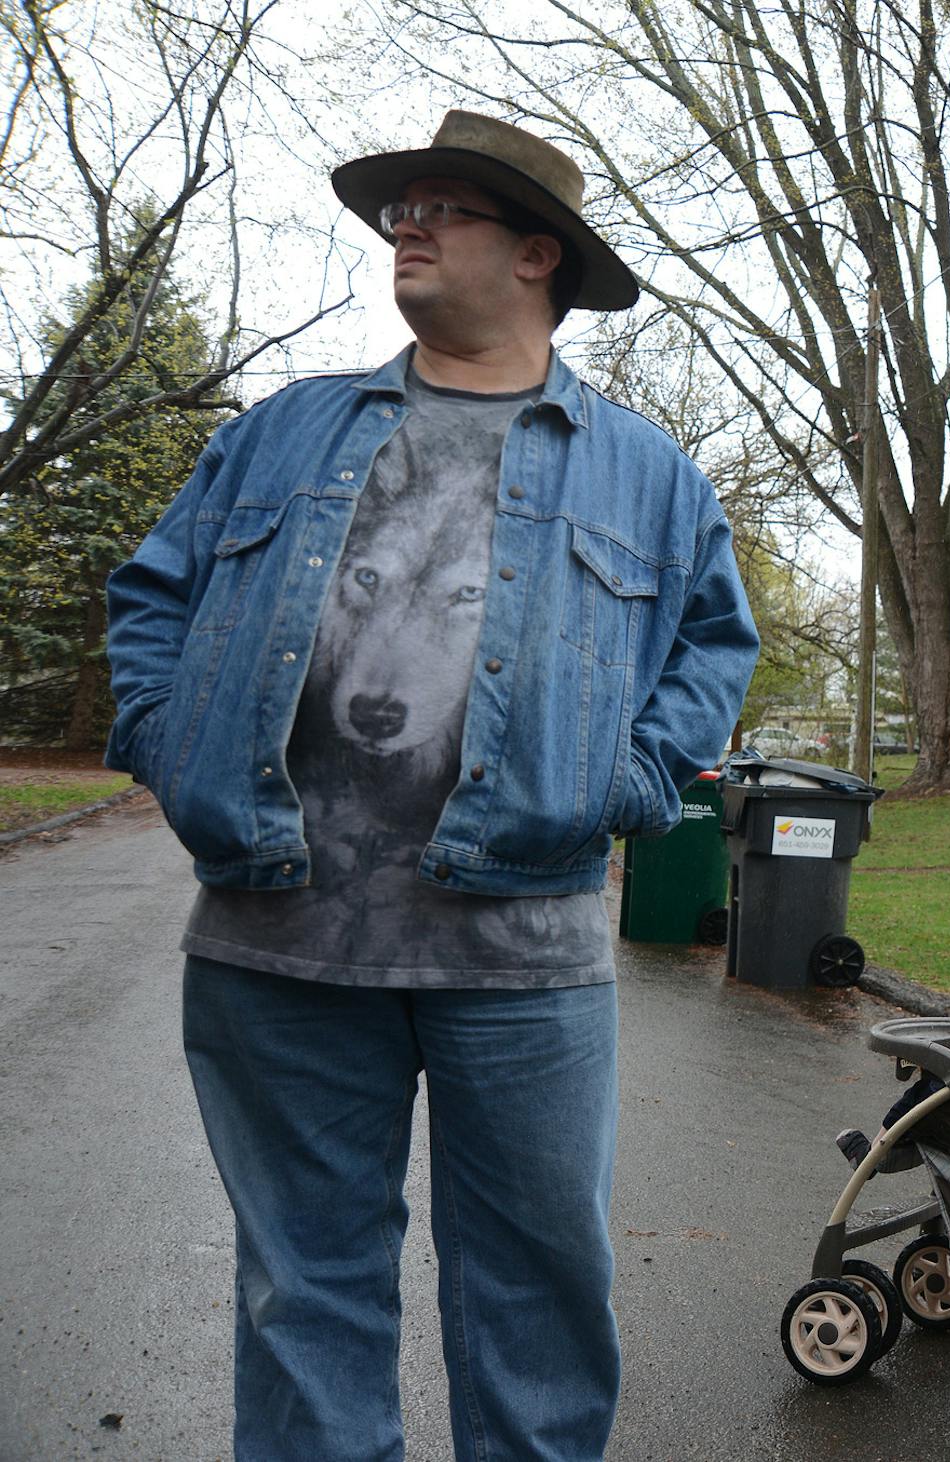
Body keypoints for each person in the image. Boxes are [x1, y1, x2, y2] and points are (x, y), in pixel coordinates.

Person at [103, 111, 759, 1459]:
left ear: (537, 255)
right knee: (303, 1287)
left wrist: (629, 780)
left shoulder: (648, 474)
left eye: (445, 206)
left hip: (523, 951)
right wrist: (171, 747)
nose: (410, 222)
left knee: (539, 1296)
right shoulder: (283, 433)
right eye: (404, 205)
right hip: (272, 937)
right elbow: (152, 600)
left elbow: (710, 650)